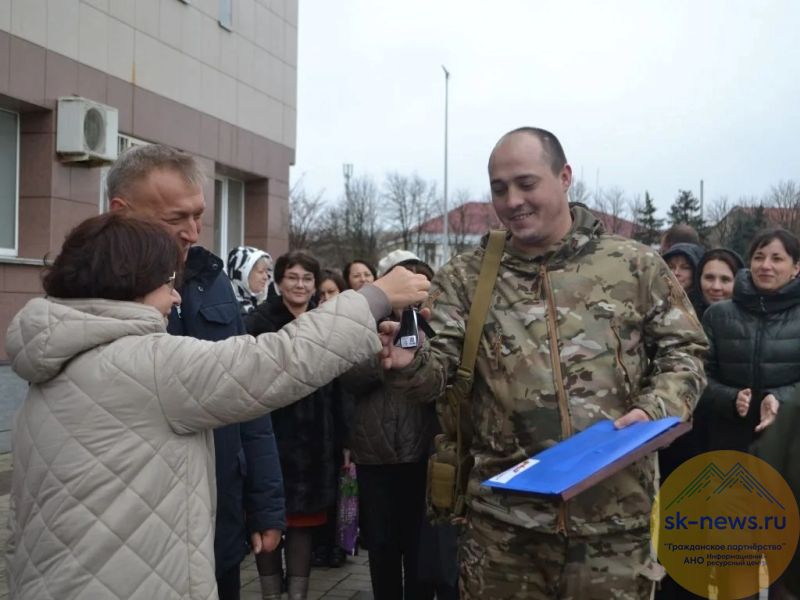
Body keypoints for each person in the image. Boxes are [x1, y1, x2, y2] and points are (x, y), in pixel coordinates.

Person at [4, 212, 430, 599]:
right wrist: (374, 297)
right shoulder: (144, 364)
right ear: (128, 282)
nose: (176, 299)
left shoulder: (54, 362)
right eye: (167, 283)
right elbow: (277, 361)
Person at [379, 127, 708, 599]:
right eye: (499, 189)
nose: (512, 200)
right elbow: (436, 377)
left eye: (526, 183)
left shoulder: (633, 265)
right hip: (502, 531)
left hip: (613, 526)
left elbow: (685, 349)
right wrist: (407, 363)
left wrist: (656, 408)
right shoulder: (466, 277)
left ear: (565, 177)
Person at [106, 144, 283, 599]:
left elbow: (248, 396)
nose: (193, 232)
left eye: (199, 215)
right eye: (175, 218)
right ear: (121, 212)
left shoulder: (213, 280)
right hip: (138, 535)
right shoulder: (95, 292)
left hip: (220, 519)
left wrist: (265, 506)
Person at [342, 250, 457, 600]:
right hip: (375, 455)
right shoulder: (367, 325)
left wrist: (419, 356)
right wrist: (386, 359)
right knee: (381, 547)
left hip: (423, 455)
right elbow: (348, 377)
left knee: (421, 549)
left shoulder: (441, 330)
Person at [245, 252, 346, 599]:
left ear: (315, 285)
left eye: (307, 279)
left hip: (315, 444)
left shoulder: (325, 324)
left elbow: (337, 388)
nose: (300, 285)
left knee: (304, 525)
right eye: (292, 277)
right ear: (278, 282)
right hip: (270, 438)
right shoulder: (258, 322)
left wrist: (342, 439)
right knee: (268, 521)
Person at [700, 228, 800, 454]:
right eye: (759, 257)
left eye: (777, 259)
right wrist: (730, 398)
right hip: (729, 441)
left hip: (789, 442)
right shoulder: (718, 316)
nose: (766, 265)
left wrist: (780, 398)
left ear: (796, 268)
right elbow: (698, 376)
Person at [695, 248, 744, 316]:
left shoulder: (753, 320)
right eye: (709, 278)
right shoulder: (684, 317)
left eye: (725, 280)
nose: (716, 287)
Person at [661, 242, 705, 315]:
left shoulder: (705, 308)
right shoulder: (654, 301)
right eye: (670, 267)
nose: (676, 273)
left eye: (685, 267)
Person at [227, 245, 273, 314]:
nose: (266, 277)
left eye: (266, 272)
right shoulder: (229, 309)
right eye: (261, 272)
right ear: (243, 273)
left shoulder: (259, 304)